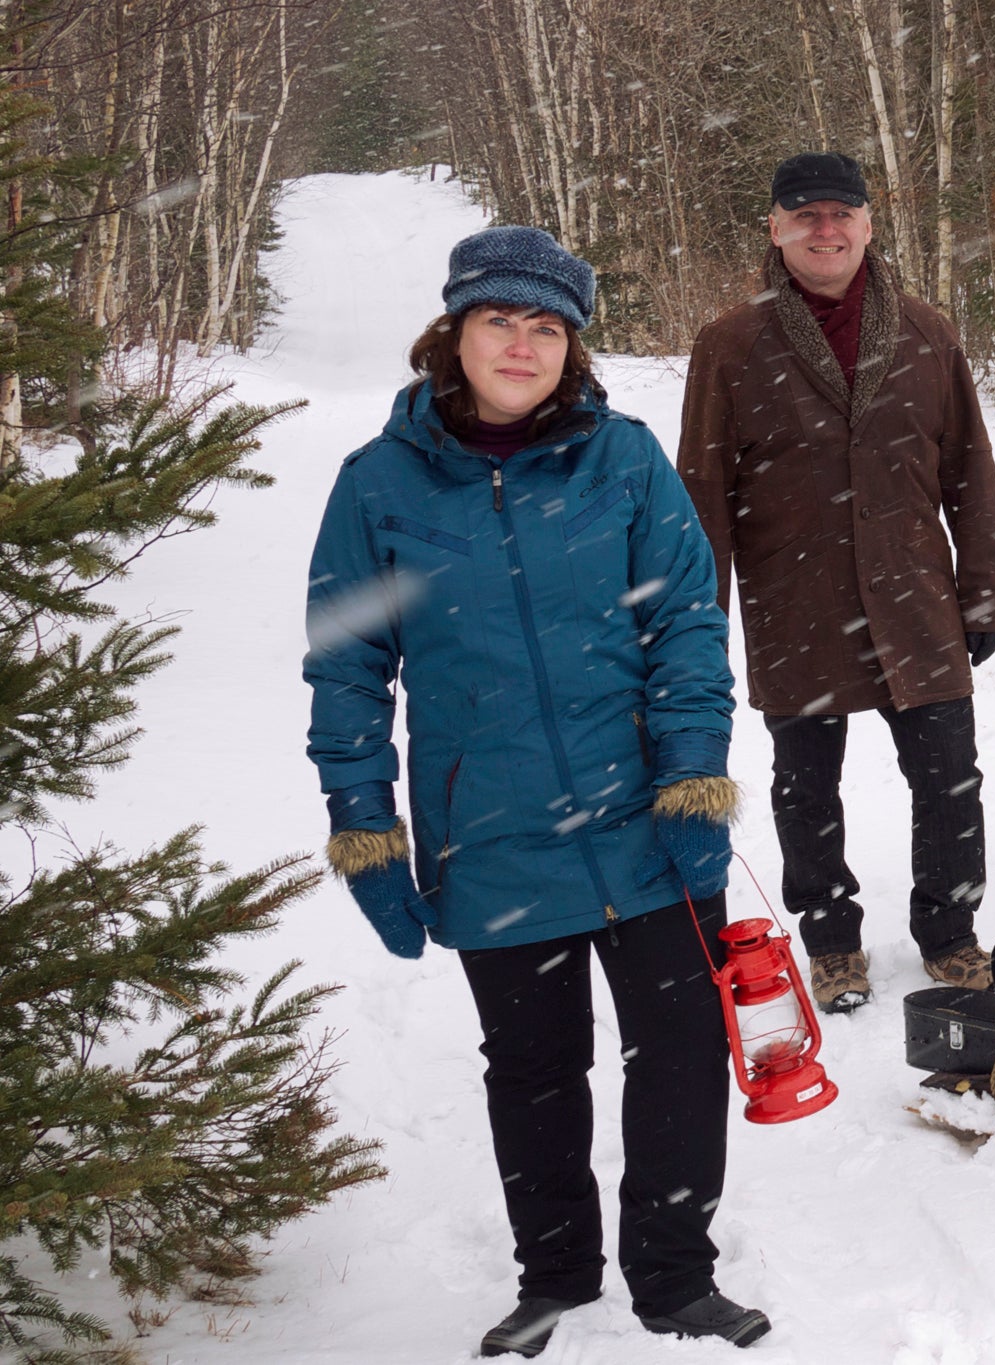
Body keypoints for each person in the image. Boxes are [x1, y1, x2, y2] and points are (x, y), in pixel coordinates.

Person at [305, 226, 768, 1355]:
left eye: (546, 327)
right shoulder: (378, 485)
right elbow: (348, 667)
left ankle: (673, 1275)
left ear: (573, 347)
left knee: (682, 1051)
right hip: (493, 833)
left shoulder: (622, 460)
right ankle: (555, 1273)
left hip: (646, 825)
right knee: (533, 1067)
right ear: (452, 335)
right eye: (499, 322)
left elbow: (686, 628)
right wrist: (365, 825)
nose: (521, 345)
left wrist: (695, 777)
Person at [678, 152, 995, 1015]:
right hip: (798, 602)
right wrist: (693, 625)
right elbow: (703, 493)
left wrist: (984, 587)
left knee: (949, 778)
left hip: (915, 597)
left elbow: (970, 471)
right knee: (805, 783)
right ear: (776, 228)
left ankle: (950, 929)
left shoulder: (929, 332)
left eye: (841, 215)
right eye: (806, 216)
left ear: (868, 223)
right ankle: (830, 938)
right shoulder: (731, 344)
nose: (826, 231)